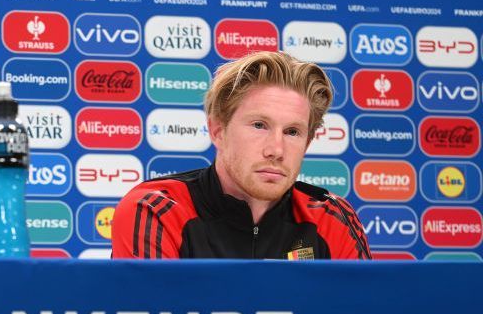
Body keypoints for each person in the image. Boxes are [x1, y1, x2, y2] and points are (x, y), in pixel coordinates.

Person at [112, 51, 370, 259]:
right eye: (259, 125)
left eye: (292, 132)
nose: (276, 150)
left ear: (308, 142)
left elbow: (361, 310)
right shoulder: (156, 210)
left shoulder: (331, 217)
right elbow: (157, 311)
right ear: (218, 131)